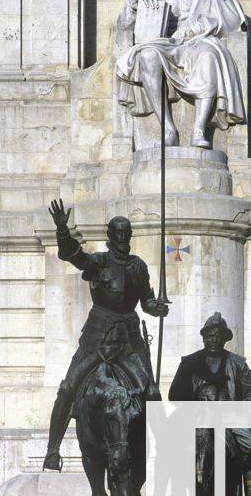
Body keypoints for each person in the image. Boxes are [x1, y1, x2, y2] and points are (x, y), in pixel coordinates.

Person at [42, 199, 169, 473]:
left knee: (152, 391)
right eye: (118, 234)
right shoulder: (98, 262)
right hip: (98, 336)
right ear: (110, 237)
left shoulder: (138, 266)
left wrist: (155, 308)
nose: (123, 238)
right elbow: (72, 255)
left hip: (130, 338)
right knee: (68, 387)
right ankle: (52, 450)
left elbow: (146, 301)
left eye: (127, 234)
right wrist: (63, 231)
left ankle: (165, 453)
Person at [116, 0, 246, 149]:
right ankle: (168, 128)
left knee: (209, 55)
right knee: (146, 56)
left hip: (197, 42)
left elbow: (235, 21)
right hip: (162, 44)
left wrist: (201, 26)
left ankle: (198, 130)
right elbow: (123, 26)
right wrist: (134, 4)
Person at [168, 312, 251, 496]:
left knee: (248, 444)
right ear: (203, 338)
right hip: (197, 421)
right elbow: (174, 394)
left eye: (217, 336)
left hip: (229, 421)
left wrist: (243, 409)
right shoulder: (189, 363)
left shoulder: (238, 364)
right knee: (173, 446)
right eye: (209, 335)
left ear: (224, 339)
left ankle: (250, 489)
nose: (213, 340)